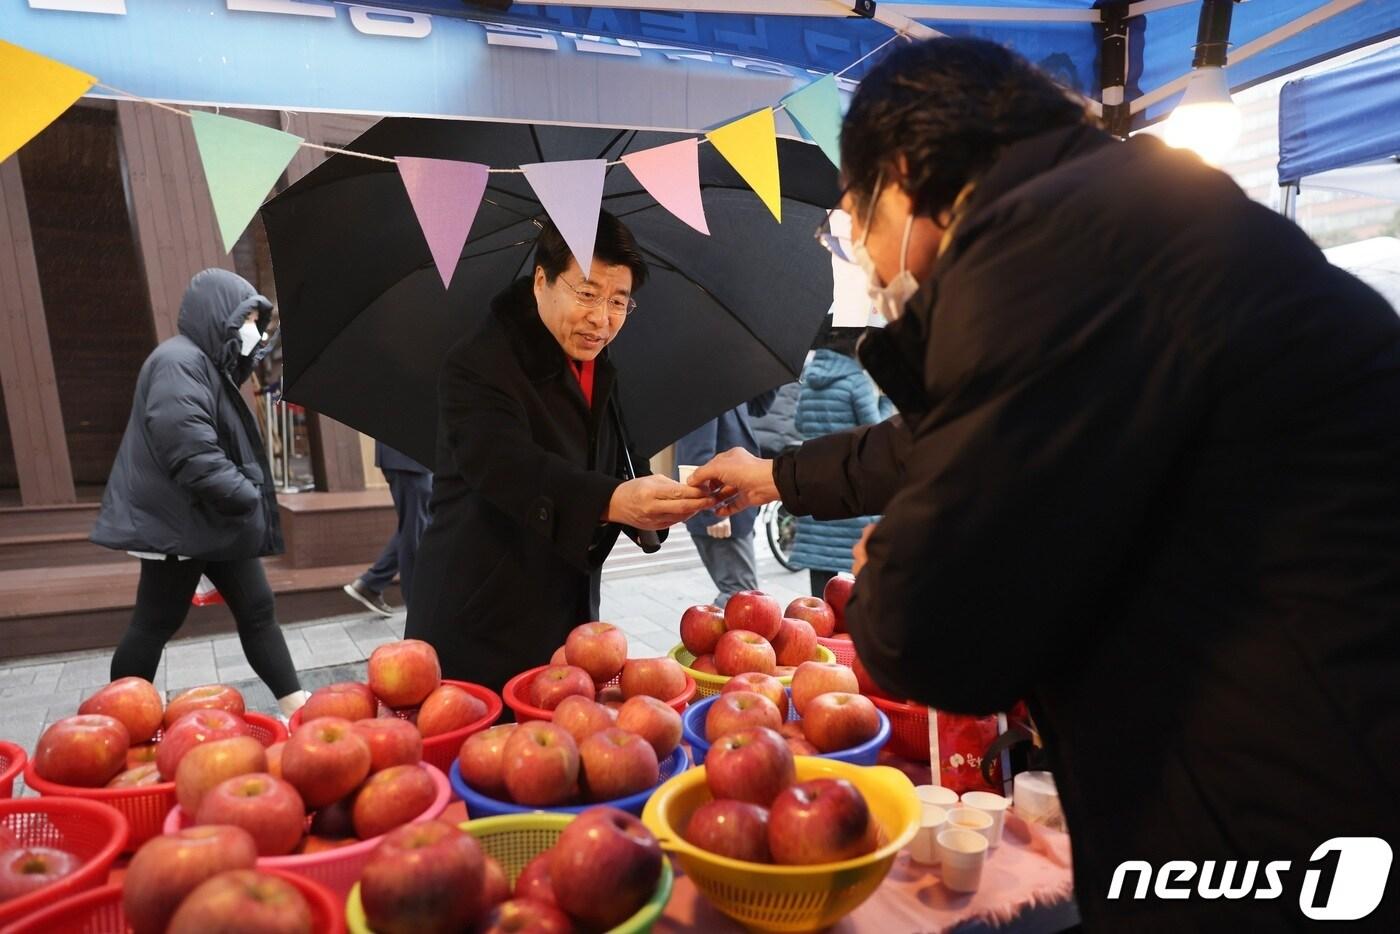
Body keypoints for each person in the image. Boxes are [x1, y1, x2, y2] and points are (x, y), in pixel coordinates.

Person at [692, 37, 1400, 931]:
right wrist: (777, 475)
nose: (866, 259)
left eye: (853, 220)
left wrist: (890, 562)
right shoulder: (1131, 225)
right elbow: (964, 439)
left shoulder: (1040, 250)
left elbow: (932, 633)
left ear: (904, 175)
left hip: (1287, 788)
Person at [406, 214, 713, 691]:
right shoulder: (479, 363)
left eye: (618, 301)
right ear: (541, 281)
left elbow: (620, 463)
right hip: (480, 613)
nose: (602, 319)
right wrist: (613, 501)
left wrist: (672, 500)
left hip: (567, 612)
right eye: (587, 294)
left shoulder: (597, 362)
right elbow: (506, 466)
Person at [92, 269, 307, 716]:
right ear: (220, 316)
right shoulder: (179, 362)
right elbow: (189, 451)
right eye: (247, 319)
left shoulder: (205, 364)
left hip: (211, 516)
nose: (253, 330)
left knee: (259, 610)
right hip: (182, 521)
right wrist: (248, 496)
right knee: (156, 622)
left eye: (256, 321)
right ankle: (115, 720)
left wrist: (241, 498)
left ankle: (297, 706)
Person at [790, 325, 889, 596]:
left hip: (815, 484)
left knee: (820, 595)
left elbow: (799, 423)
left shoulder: (810, 379)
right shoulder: (855, 381)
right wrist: (886, 401)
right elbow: (876, 430)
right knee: (858, 583)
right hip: (849, 486)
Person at [673, 404, 763, 607]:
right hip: (721, 511)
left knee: (742, 595)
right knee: (740, 596)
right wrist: (713, 512)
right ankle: (701, 638)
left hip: (736, 509)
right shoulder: (707, 385)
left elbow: (761, 406)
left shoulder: (731, 385)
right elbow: (696, 458)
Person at [343, 441, 432, 615]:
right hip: (409, 460)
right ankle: (417, 607)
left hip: (407, 459)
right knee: (414, 532)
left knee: (414, 527)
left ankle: (370, 584)